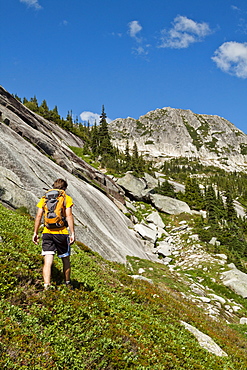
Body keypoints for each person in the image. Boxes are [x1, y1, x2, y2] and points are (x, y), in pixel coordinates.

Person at [32, 178, 75, 289]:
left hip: (47, 232)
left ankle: (46, 285)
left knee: (48, 260)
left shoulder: (45, 198)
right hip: (62, 233)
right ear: (65, 188)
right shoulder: (66, 198)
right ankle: (67, 283)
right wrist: (72, 233)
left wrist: (35, 232)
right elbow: (69, 216)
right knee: (65, 259)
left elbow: (38, 216)